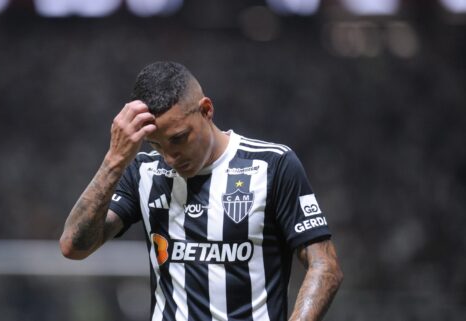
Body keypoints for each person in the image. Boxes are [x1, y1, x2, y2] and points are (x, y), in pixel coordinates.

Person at [60, 61, 343, 321]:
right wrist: (114, 161)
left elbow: (325, 266)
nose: (170, 157)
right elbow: (74, 246)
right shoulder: (143, 172)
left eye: (179, 139)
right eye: (156, 145)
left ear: (207, 110)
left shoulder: (272, 165)